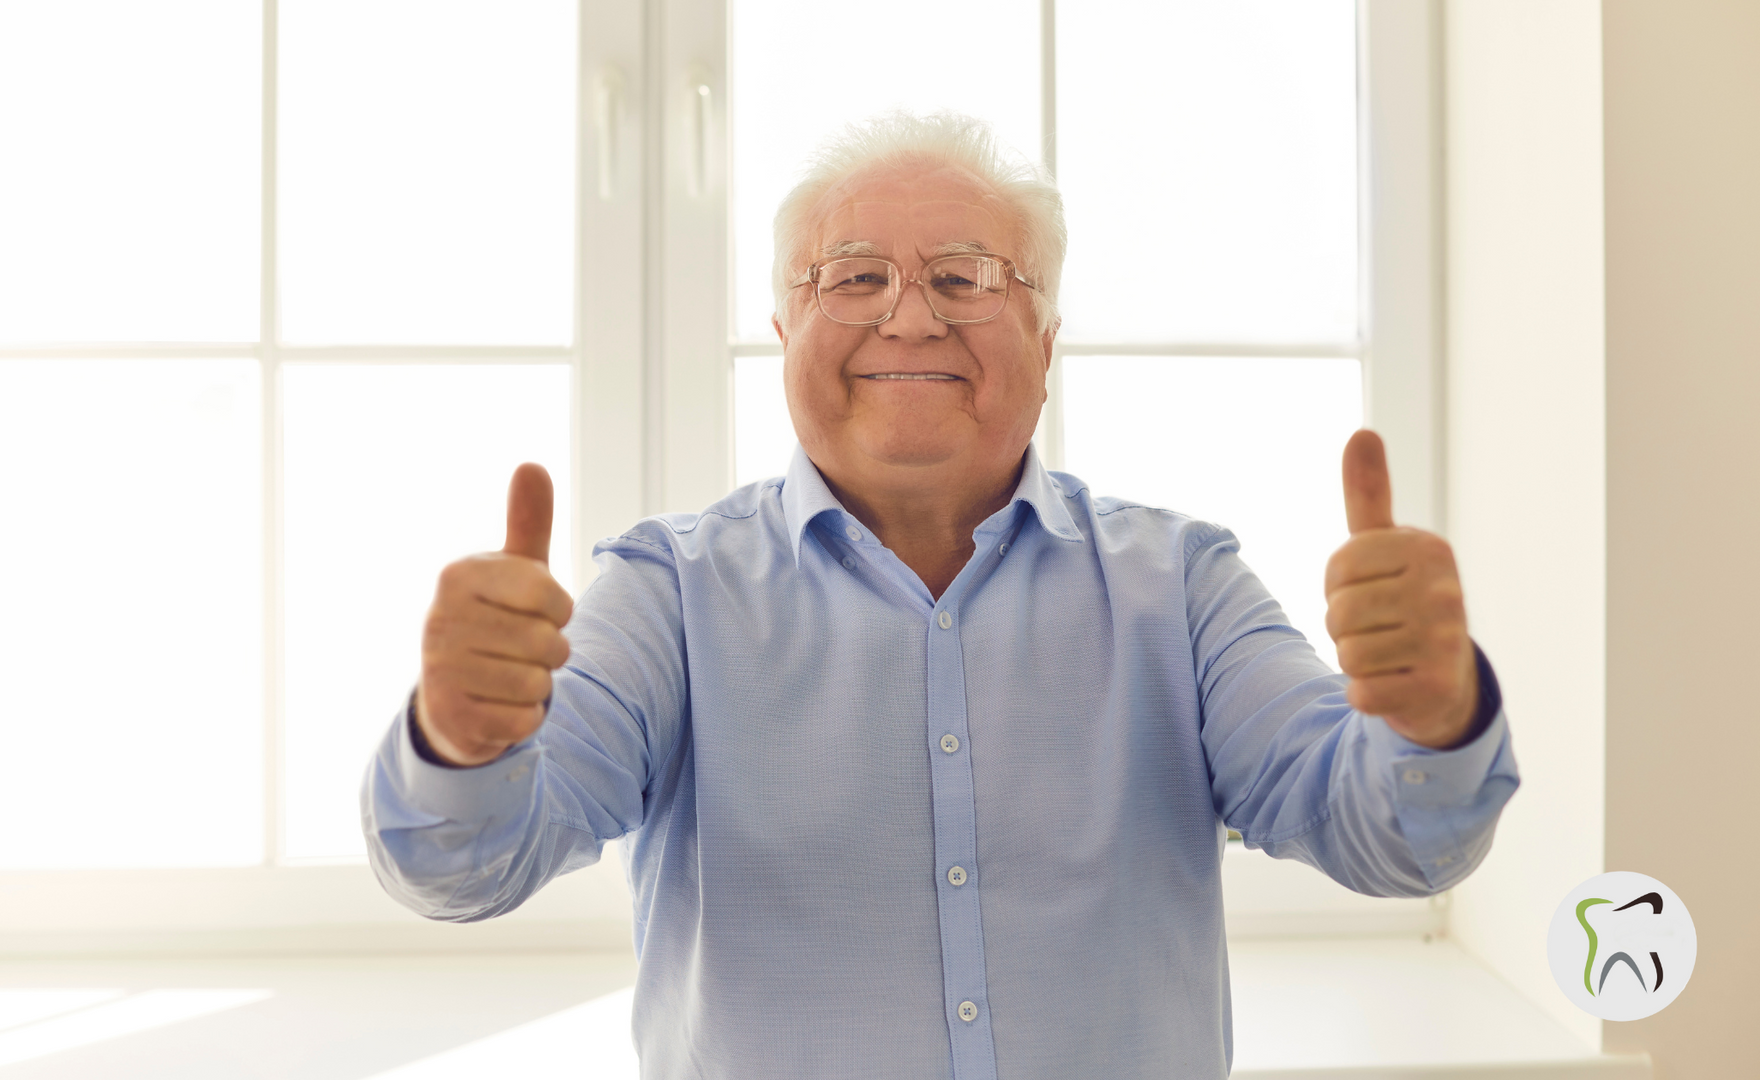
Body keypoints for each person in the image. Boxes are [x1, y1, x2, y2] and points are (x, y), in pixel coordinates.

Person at [362, 112, 1517, 1079]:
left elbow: (1392, 840)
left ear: (1046, 337)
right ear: (784, 333)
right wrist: (459, 744)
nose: (909, 317)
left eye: (964, 277)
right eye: (853, 276)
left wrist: (1429, 716)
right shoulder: (667, 591)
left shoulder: (1184, 585)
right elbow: (466, 868)